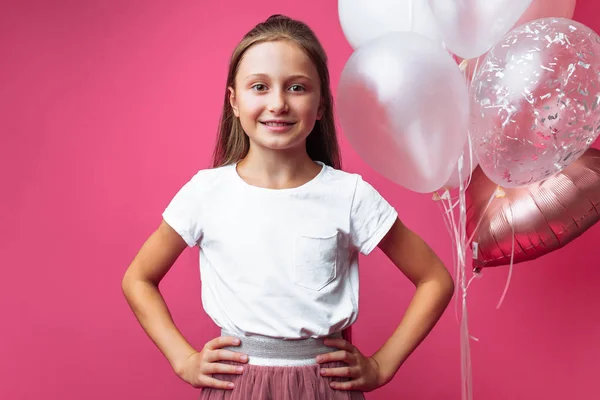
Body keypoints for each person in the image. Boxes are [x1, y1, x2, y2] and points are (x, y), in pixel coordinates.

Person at [122, 14, 454, 400]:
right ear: (234, 100)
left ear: (320, 106)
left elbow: (435, 279)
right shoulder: (205, 192)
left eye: (296, 87)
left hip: (325, 388)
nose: (277, 103)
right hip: (238, 387)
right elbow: (138, 278)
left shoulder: (349, 195)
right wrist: (183, 359)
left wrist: (382, 365)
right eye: (259, 87)